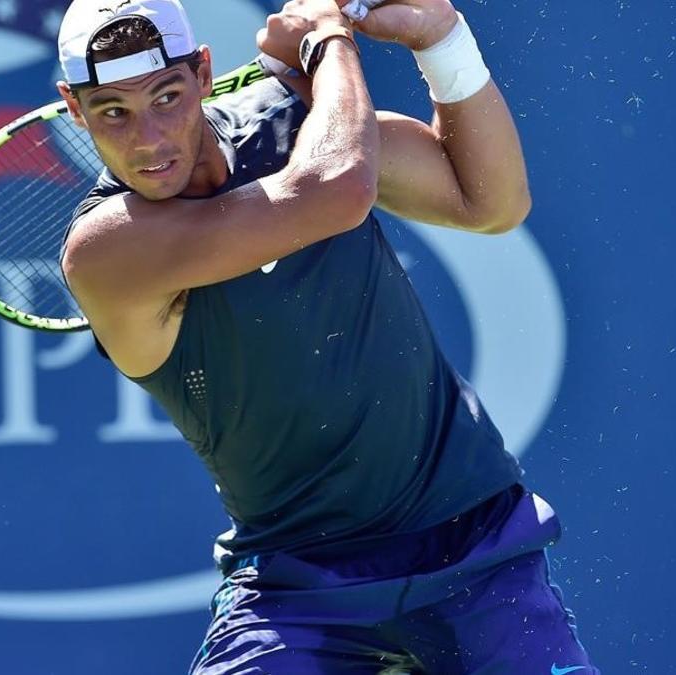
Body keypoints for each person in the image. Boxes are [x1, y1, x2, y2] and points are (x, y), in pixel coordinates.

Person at [55, 0, 599, 672]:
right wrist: (330, 41)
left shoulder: (293, 121)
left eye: (166, 96)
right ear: (74, 111)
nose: (148, 137)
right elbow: (336, 187)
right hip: (297, 586)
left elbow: (490, 201)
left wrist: (442, 38)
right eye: (113, 111)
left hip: (475, 542)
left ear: (201, 73)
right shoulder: (106, 248)